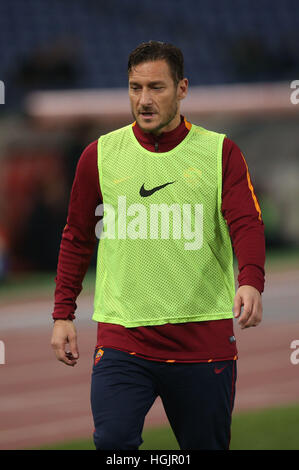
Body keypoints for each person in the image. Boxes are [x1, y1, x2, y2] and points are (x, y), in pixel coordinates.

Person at [51, 41, 265, 450]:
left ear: (182, 89)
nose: (144, 100)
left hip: (202, 342)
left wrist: (250, 279)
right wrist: (63, 313)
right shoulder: (99, 155)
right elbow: (76, 236)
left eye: (156, 88)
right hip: (123, 341)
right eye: (135, 88)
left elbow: (246, 223)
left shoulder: (221, 152)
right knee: (113, 444)